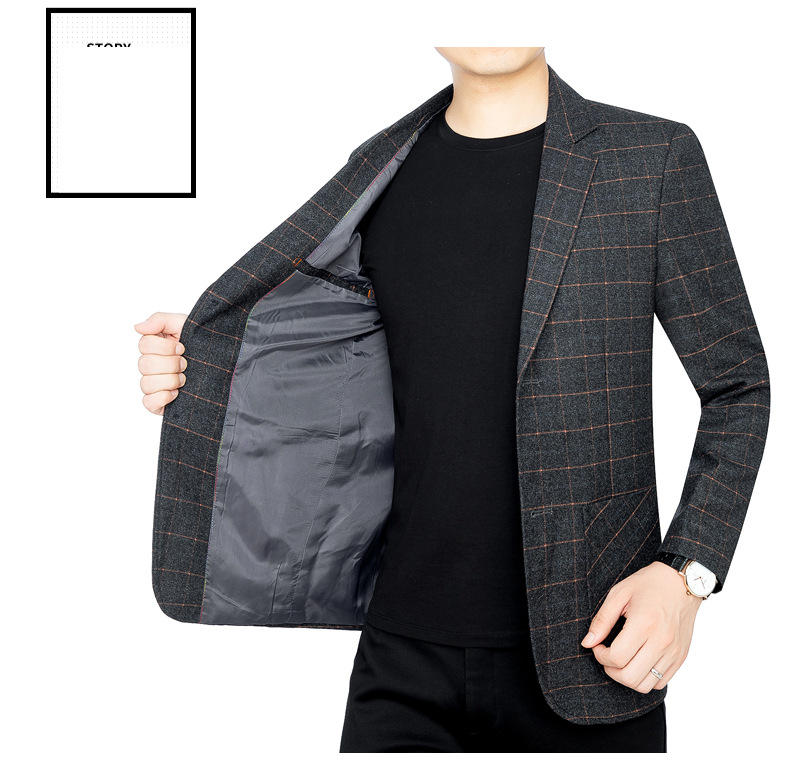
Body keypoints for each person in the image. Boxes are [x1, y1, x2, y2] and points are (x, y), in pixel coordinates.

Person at [135, 48, 770, 753]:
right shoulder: (379, 170)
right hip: (400, 663)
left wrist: (686, 575)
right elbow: (341, 360)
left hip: (594, 656)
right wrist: (206, 360)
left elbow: (737, 385)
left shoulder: (650, 159)